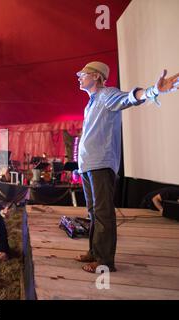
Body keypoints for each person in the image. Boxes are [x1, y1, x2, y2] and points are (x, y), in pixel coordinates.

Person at [74, 61, 179, 273]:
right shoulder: (91, 103)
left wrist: (153, 90)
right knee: (93, 212)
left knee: (103, 213)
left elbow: (130, 97)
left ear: (96, 77)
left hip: (101, 165)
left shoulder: (106, 95)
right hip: (88, 166)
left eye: (83, 74)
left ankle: (104, 262)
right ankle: (95, 252)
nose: (79, 77)